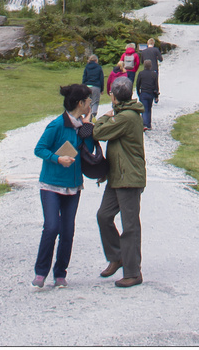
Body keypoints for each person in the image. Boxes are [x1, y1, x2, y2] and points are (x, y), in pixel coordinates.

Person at [30, 84, 99, 288]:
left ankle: (60, 273)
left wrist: (88, 131)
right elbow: (39, 149)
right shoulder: (56, 125)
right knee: (52, 227)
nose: (90, 105)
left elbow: (87, 152)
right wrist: (57, 159)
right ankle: (41, 272)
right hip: (51, 185)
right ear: (80, 103)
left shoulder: (83, 126)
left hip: (73, 186)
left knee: (68, 231)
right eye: (88, 102)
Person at [91, 76, 146, 287]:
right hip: (117, 176)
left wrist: (104, 116)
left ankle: (133, 272)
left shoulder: (127, 117)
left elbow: (98, 132)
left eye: (111, 94)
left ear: (114, 96)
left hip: (129, 178)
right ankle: (117, 256)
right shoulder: (123, 114)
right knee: (104, 215)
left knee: (130, 225)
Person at [135, 59, 158, 131]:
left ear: (144, 66)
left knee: (144, 109)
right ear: (151, 66)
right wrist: (156, 96)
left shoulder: (141, 73)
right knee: (149, 108)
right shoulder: (154, 74)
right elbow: (156, 86)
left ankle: (144, 124)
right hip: (151, 93)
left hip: (143, 93)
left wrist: (139, 93)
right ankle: (149, 124)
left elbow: (137, 84)